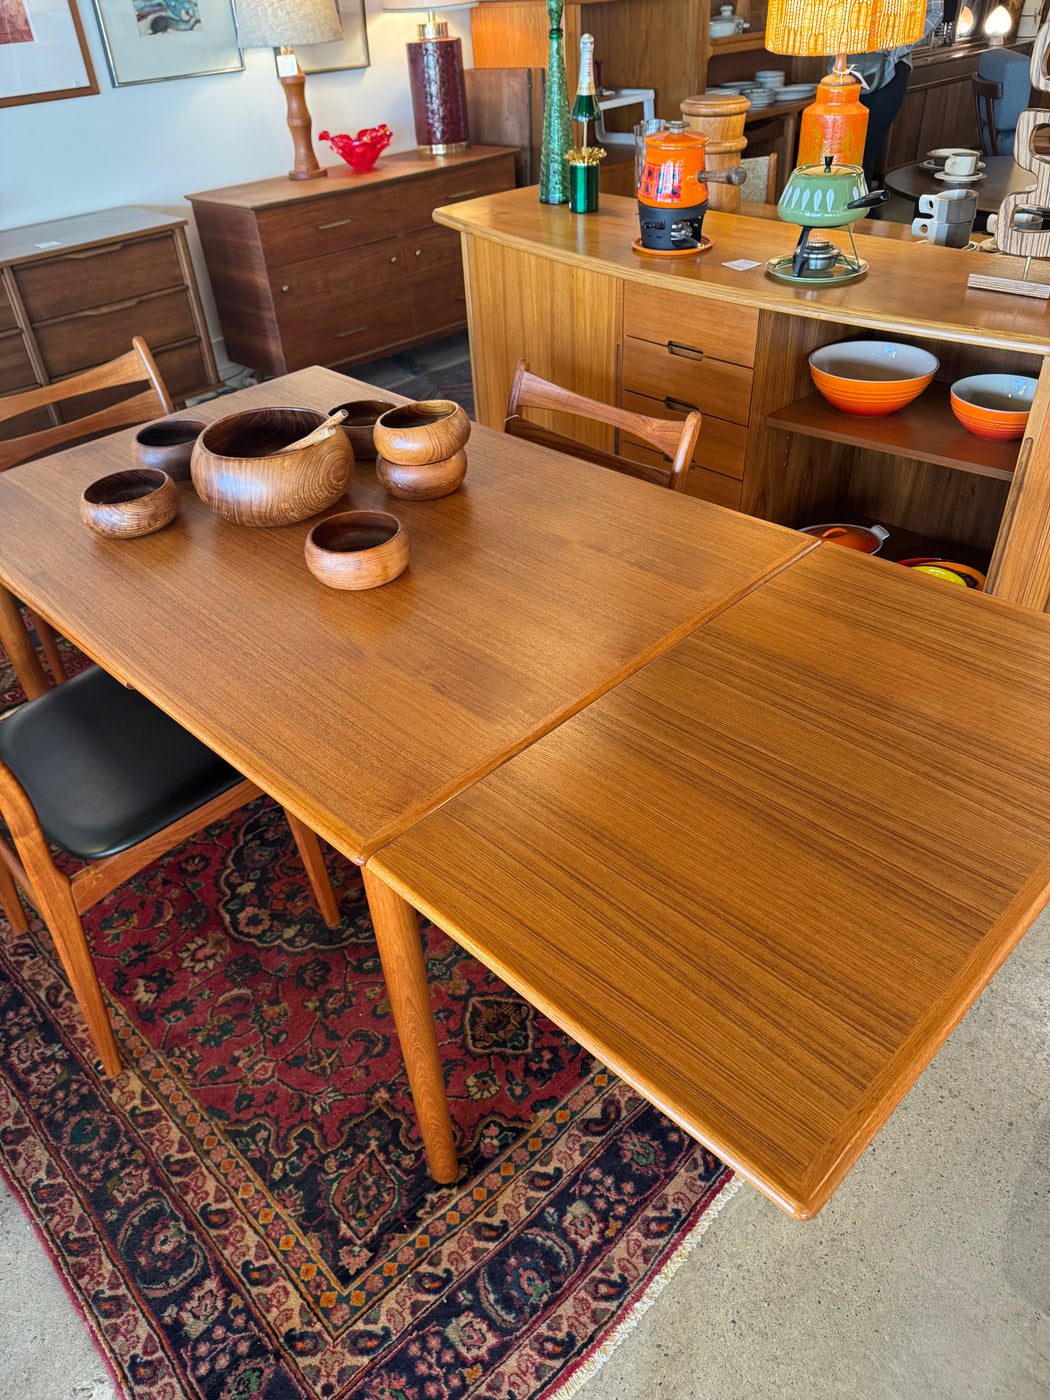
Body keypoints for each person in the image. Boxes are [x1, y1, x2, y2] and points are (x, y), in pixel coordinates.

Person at [847, 0, 944, 182]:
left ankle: (860, 208)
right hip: (847, 63)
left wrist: (899, 47)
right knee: (840, 144)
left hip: (890, 67)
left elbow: (934, 12)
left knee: (864, 148)